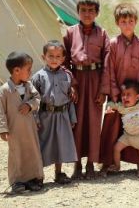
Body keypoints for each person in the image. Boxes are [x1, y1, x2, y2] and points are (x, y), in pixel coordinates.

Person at [99, 2, 139, 178]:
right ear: (117, 23)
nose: (127, 24)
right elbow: (109, 70)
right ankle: (109, 163)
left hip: (136, 97)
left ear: (136, 22)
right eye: (123, 21)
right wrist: (114, 96)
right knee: (112, 126)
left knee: (136, 128)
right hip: (117, 95)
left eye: (131, 21)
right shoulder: (113, 44)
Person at [63, 0, 110, 180]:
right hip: (77, 79)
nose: (87, 14)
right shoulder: (69, 32)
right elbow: (65, 62)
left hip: (96, 79)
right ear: (78, 12)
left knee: (92, 123)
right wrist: (71, 85)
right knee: (77, 123)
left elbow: (107, 63)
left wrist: (103, 89)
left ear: (97, 12)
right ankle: (77, 165)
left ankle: (91, 164)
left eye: (91, 10)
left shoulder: (103, 33)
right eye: (83, 10)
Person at [0, 51, 43, 194]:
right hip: (14, 130)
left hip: (30, 128)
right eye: (28, 69)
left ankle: (35, 178)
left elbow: (37, 98)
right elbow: (1, 111)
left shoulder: (29, 86)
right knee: (17, 154)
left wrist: (29, 105)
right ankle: (17, 181)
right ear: (16, 70)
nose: (30, 72)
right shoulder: (4, 91)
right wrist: (3, 129)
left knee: (32, 152)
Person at [32, 40, 78, 185]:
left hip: (62, 115)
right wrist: (35, 119)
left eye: (58, 56)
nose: (54, 59)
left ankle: (59, 173)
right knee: (43, 144)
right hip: (45, 116)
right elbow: (33, 100)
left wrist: (72, 117)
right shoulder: (38, 77)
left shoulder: (67, 76)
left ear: (63, 59)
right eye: (50, 56)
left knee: (60, 144)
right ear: (43, 57)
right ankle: (38, 175)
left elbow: (69, 99)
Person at [106, 79, 139, 177]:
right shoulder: (121, 107)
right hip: (127, 137)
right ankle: (117, 166)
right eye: (123, 95)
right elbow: (111, 103)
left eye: (128, 94)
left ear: (137, 97)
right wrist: (108, 108)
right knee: (116, 148)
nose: (125, 97)